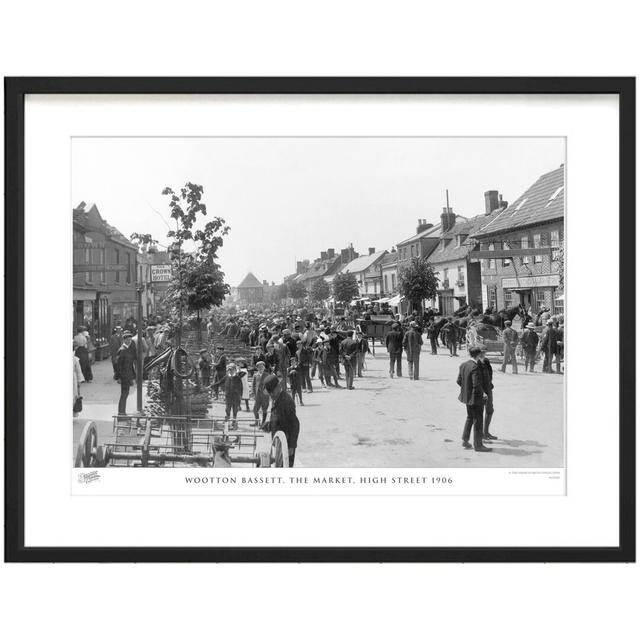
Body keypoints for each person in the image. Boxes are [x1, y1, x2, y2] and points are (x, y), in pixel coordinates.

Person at [457, 346, 491, 452]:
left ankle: (465, 440)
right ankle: (478, 445)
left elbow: (459, 381)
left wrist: (467, 389)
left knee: (470, 418)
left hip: (467, 397)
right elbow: (476, 384)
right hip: (476, 398)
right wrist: (484, 394)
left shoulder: (463, 365)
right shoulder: (475, 367)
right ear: (477, 355)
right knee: (478, 420)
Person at [264, 374, 300, 467]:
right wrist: (269, 425)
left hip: (286, 444)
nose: (271, 395)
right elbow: (279, 419)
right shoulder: (276, 399)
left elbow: (295, 424)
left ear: (278, 387)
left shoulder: (286, 402)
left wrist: (291, 446)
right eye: (270, 393)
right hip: (279, 443)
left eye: (272, 392)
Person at [477, 347, 497, 441]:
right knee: (479, 413)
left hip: (488, 389)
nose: (483, 354)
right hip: (480, 392)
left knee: (490, 411)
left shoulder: (486, 361)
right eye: (481, 352)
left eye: (484, 352)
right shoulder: (476, 363)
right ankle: (480, 435)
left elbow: (490, 374)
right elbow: (476, 380)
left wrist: (490, 384)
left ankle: (486, 432)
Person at [115, 331, 137, 415]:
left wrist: (132, 376)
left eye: (130, 340)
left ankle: (122, 411)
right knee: (124, 394)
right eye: (127, 340)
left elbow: (130, 364)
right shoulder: (122, 350)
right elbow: (117, 365)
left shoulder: (128, 349)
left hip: (128, 375)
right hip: (124, 376)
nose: (129, 341)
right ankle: (121, 412)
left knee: (126, 393)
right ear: (124, 340)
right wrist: (119, 377)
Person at [73, 345, 84, 417]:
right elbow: (78, 371)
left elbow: (78, 371)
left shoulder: (74, 359)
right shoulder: (74, 359)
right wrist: (79, 381)